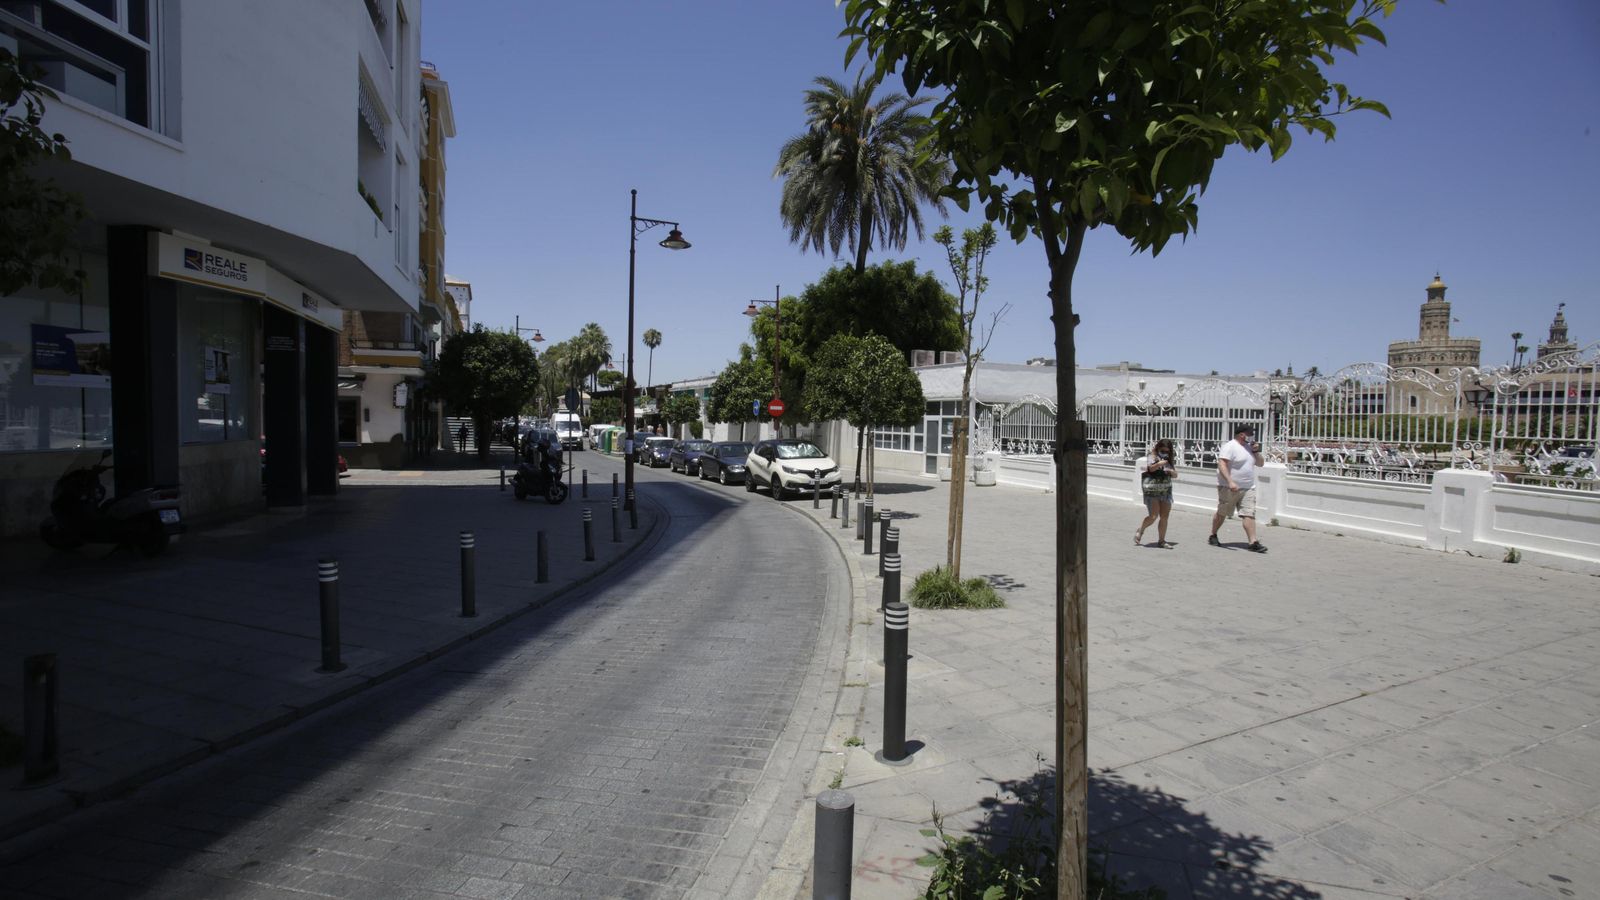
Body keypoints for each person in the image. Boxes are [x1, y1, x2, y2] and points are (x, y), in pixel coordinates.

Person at [1210, 424, 1267, 552]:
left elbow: (1260, 463)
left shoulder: (1249, 448)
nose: (1252, 436)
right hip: (1229, 487)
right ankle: (1213, 534)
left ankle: (1253, 542)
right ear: (1242, 434)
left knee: (1249, 513)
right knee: (1222, 513)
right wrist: (1230, 481)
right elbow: (1222, 464)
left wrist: (1256, 451)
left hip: (1248, 487)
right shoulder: (1230, 446)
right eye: (1249, 433)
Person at [1134, 438, 1177, 548]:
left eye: (1168, 451)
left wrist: (1171, 472)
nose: (1165, 452)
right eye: (1163, 450)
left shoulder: (1169, 458)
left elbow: (1175, 474)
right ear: (1158, 448)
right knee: (1153, 516)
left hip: (1165, 490)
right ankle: (1141, 529)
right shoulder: (1152, 456)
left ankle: (1162, 541)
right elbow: (1151, 469)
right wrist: (1159, 464)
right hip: (1153, 490)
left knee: (1164, 517)